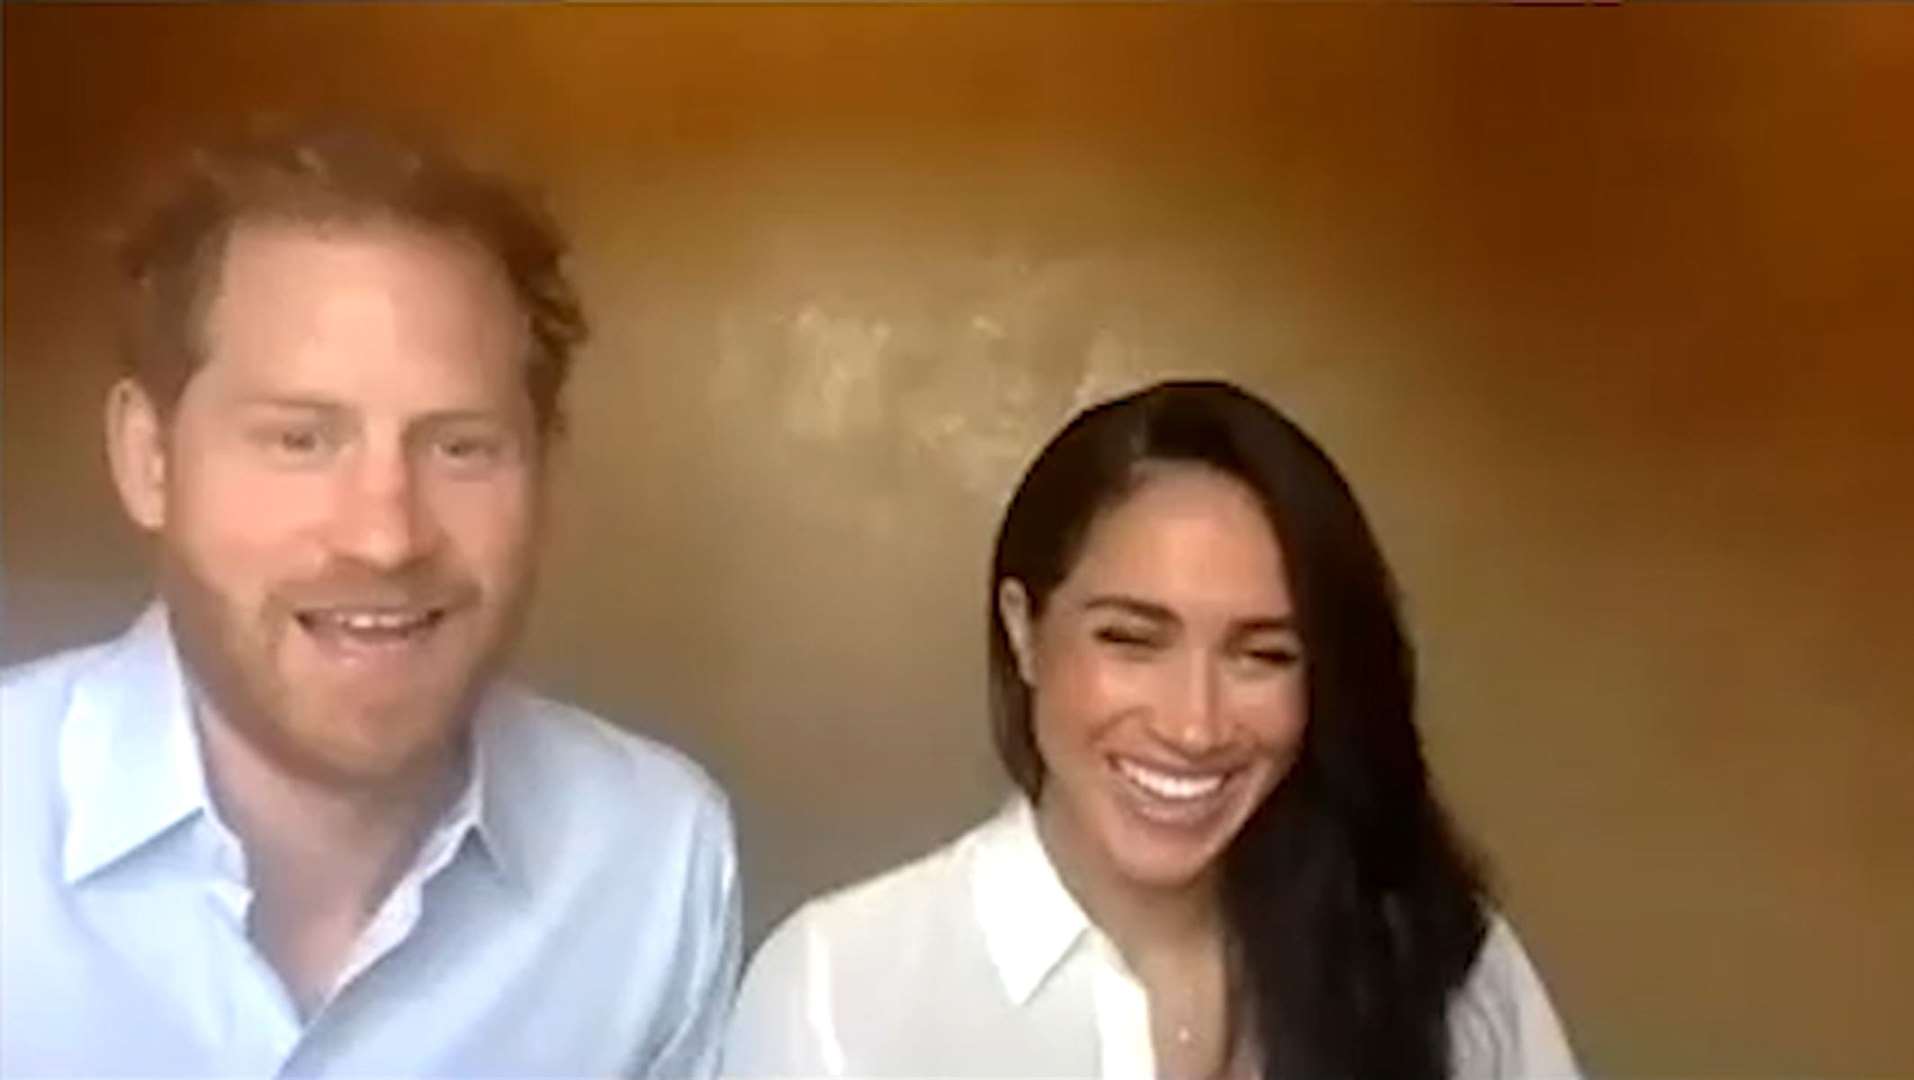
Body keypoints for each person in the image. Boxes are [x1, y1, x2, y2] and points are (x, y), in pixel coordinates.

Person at [0, 124, 738, 1077]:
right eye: (300, 440)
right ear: (148, 460)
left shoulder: (652, 856)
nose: (385, 537)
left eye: (461, 447)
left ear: (544, 477)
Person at [725, 380, 1579, 1079]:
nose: (1196, 725)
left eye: (1264, 655)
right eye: (1132, 640)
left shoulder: (1444, 961)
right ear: (1024, 631)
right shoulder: (836, 985)